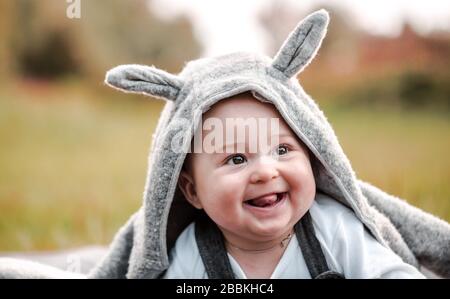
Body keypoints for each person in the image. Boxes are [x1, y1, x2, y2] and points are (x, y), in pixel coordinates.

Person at [1, 9, 449, 279]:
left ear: (315, 157)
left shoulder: (335, 230)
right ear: (191, 191)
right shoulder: (194, 253)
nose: (264, 171)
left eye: (282, 150)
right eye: (235, 157)